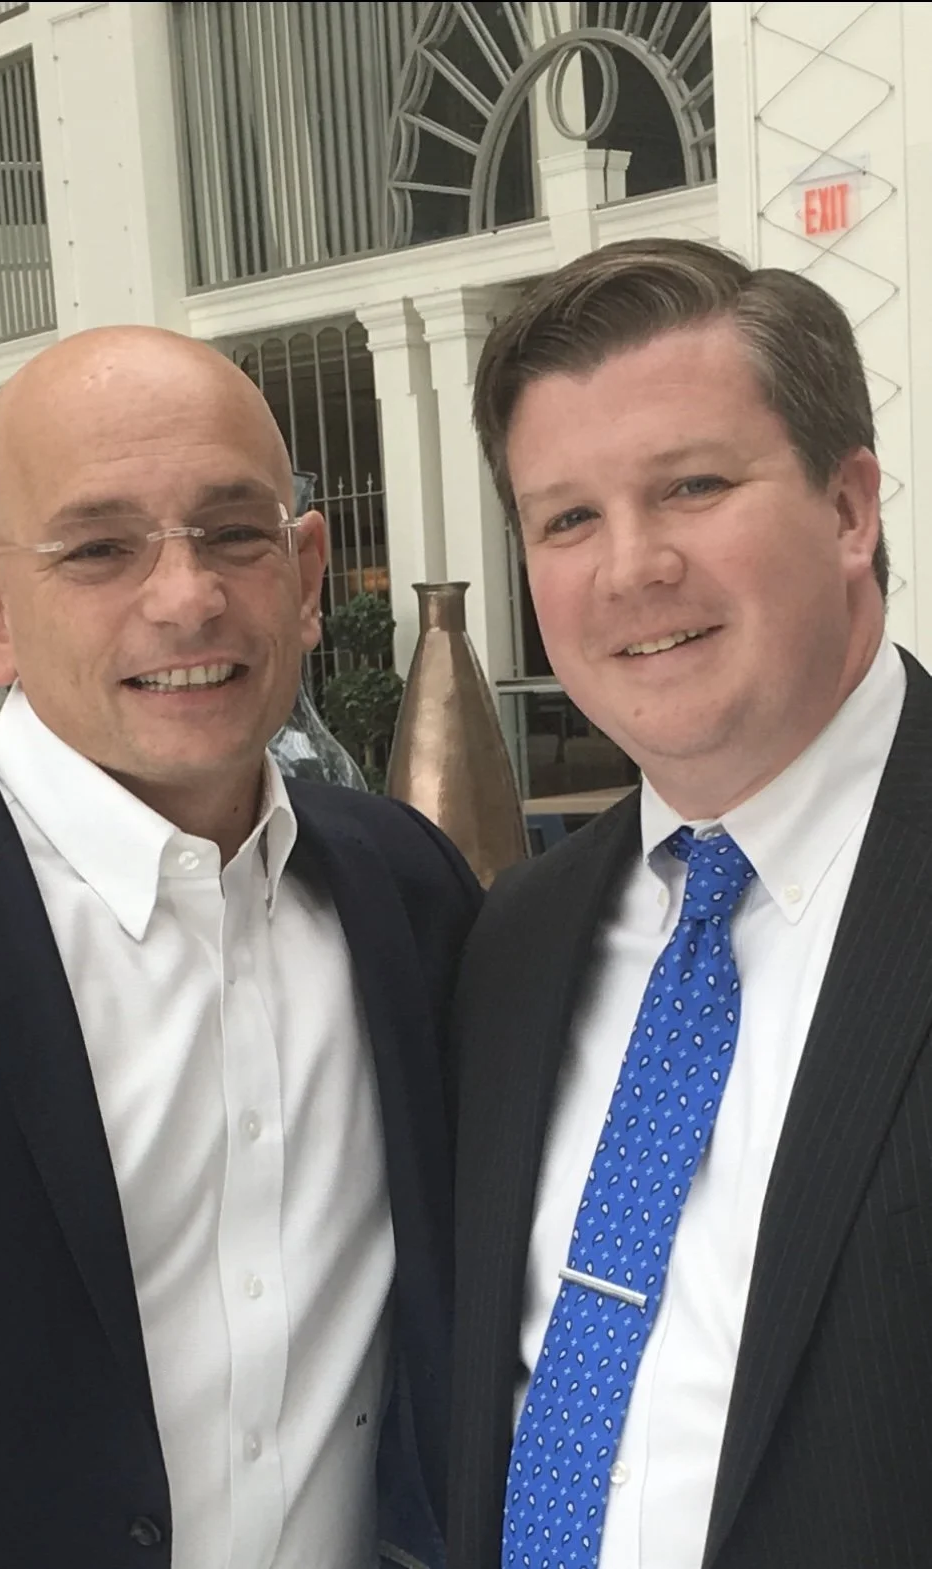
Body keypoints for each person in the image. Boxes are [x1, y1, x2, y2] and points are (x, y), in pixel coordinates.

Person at [0, 327, 481, 1569]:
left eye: (235, 532)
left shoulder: (407, 892)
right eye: (98, 548)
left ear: (306, 574)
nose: (185, 594)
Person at [447, 237, 932, 1569]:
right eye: (565, 518)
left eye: (692, 486)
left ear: (848, 509)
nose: (630, 567)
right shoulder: (515, 943)